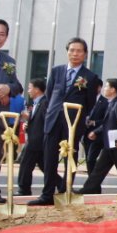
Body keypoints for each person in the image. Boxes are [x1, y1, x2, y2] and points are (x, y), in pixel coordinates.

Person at [29, 37, 101, 206]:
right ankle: (47, 195)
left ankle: (65, 190)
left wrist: (77, 117)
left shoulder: (90, 77)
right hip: (52, 121)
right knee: (49, 159)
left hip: (73, 124)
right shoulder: (56, 71)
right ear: (67, 52)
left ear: (85, 54)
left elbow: (90, 103)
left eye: (79, 51)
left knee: (70, 158)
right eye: (72, 50)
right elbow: (49, 95)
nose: (75, 54)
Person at [76, 79, 117, 194]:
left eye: (106, 87)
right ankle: (87, 189)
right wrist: (96, 132)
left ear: (113, 89)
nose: (104, 89)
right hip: (109, 143)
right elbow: (107, 123)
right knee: (98, 170)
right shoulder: (111, 103)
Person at [0, 19, 23, 207]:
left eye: (2, 34)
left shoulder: (9, 61)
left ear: (6, 37)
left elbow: (18, 86)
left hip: (0, 119)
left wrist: (8, 88)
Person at [17, 78, 47, 196]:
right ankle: (62, 185)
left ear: (37, 89)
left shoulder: (45, 103)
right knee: (44, 166)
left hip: (37, 141)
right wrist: (28, 124)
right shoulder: (37, 102)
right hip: (34, 139)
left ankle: (23, 190)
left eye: (30, 88)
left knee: (25, 165)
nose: (28, 91)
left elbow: (45, 123)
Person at [83, 87, 108, 175]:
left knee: (91, 158)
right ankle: (92, 182)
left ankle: (92, 182)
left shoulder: (105, 102)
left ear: (99, 88)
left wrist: (94, 123)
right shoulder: (86, 100)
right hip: (86, 133)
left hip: (97, 135)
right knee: (88, 159)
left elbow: (107, 120)